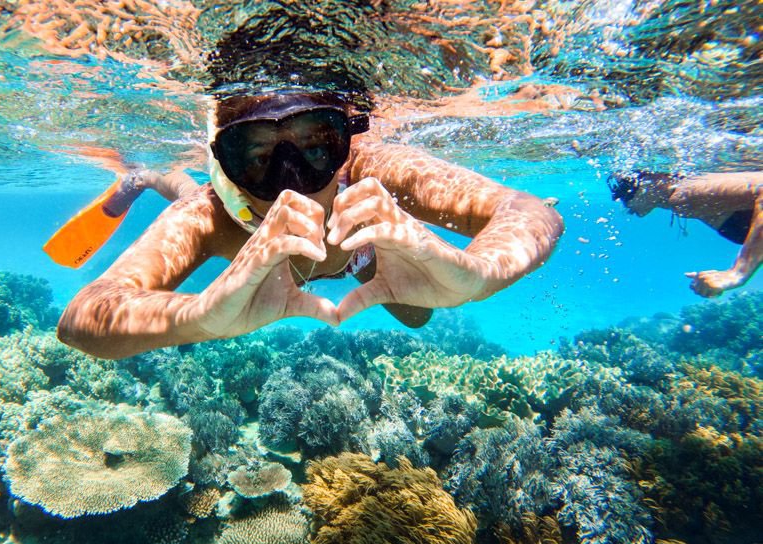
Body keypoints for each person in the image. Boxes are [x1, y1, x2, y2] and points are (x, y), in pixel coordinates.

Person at [55, 89, 564, 359]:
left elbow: (532, 211)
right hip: (241, 227)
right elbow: (83, 317)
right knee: (184, 191)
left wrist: (480, 271)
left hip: (358, 247)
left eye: (316, 146)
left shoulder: (373, 170)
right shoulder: (211, 211)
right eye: (256, 157)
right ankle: (142, 175)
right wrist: (197, 315)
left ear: (344, 143)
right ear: (225, 164)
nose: (292, 182)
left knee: (418, 315)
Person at [608, 171, 762, 298]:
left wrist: (738, 273)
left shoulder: (685, 194)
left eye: (625, 187)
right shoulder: (683, 201)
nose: (619, 197)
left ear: (655, 176)